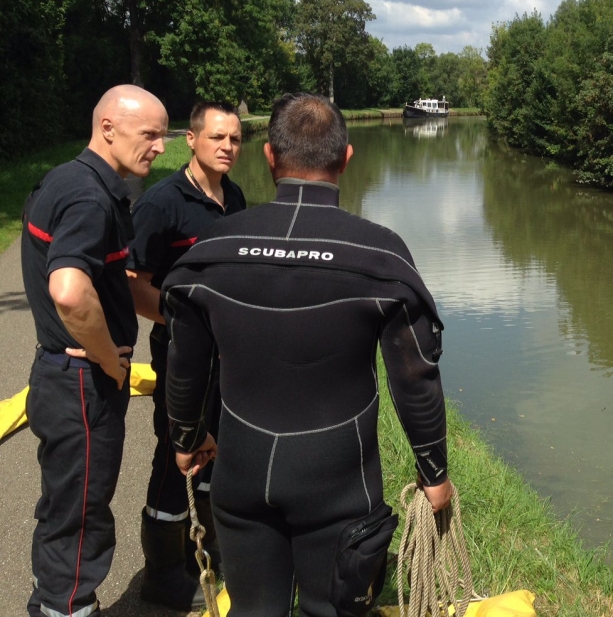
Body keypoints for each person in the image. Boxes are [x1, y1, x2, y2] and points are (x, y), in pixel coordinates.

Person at [161, 93, 453, 617]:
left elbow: (186, 361)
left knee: (253, 610)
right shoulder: (381, 254)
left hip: (241, 474)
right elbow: (415, 379)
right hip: (339, 485)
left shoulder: (212, 249)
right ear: (345, 159)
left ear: (270, 158)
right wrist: (433, 473)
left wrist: (185, 437)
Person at [22, 85, 167, 617]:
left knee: (65, 505)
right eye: (149, 134)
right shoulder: (88, 196)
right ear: (108, 127)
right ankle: (66, 608)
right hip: (80, 385)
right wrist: (109, 358)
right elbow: (69, 290)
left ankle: (55, 604)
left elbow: (108, 282)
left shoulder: (69, 178)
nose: (159, 146)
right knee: (82, 516)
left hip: (60, 378)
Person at [126, 100, 245, 610]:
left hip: (230, 354)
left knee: (218, 450)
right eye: (217, 137)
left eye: (235, 140)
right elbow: (134, 284)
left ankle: (209, 546)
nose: (227, 147)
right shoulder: (161, 203)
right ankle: (163, 572)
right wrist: (185, 325)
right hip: (180, 353)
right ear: (191, 140)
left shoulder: (235, 197)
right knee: (176, 453)